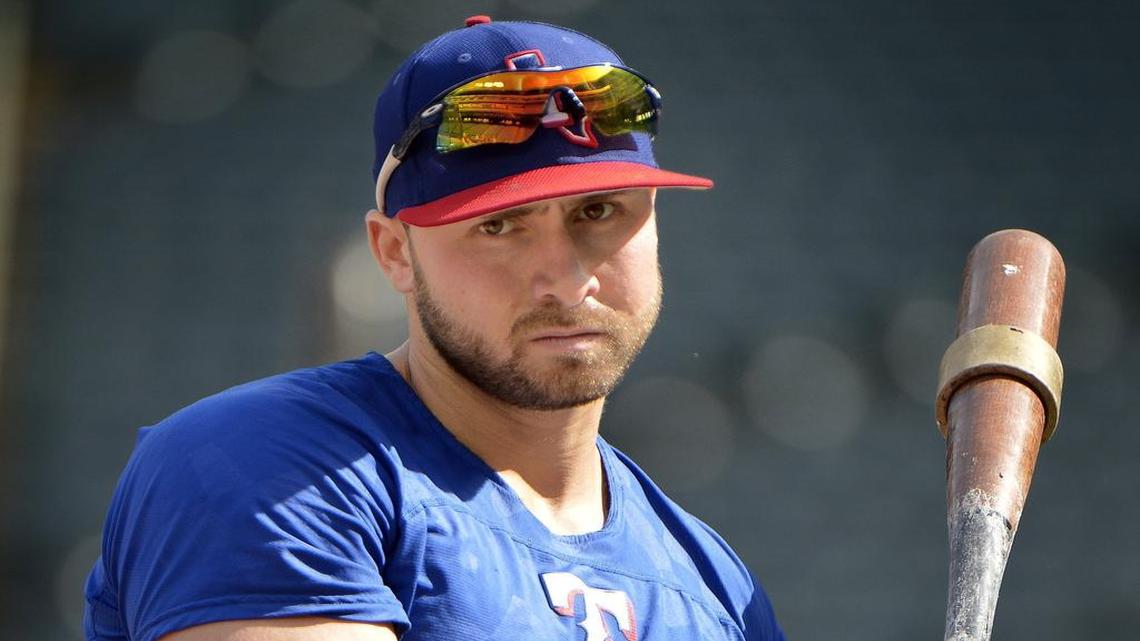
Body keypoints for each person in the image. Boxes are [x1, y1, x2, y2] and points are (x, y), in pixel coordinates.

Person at [84, 16, 786, 641]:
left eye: (599, 212)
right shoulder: (269, 467)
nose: (567, 279)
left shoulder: (714, 585)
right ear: (394, 252)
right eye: (501, 225)